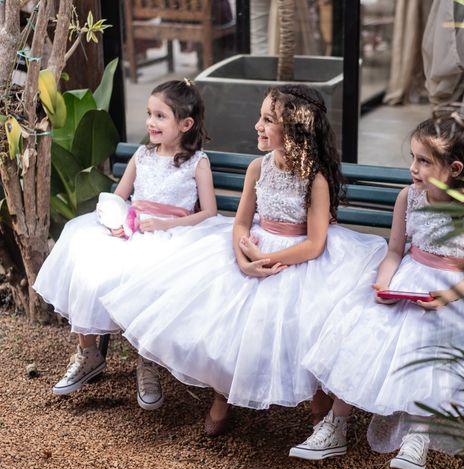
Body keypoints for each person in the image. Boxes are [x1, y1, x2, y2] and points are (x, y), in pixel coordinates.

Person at [100, 84, 388, 434]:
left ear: (295, 129)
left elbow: (314, 244)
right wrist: (242, 259)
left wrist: (268, 257)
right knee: (227, 317)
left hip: (298, 258)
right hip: (253, 251)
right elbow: (239, 223)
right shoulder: (257, 168)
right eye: (260, 117)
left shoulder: (315, 178)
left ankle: (319, 407)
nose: (257, 126)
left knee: (306, 321)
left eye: (268, 120)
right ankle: (223, 395)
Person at [289, 112, 464, 469]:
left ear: (453, 168)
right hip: (408, 280)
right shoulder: (409, 197)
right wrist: (384, 284)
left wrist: (449, 296)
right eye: (413, 157)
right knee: (364, 331)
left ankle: (418, 435)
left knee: (432, 345)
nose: (413, 168)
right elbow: (394, 251)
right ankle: (336, 424)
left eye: (423, 161)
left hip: (456, 290)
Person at [33, 79, 229, 410]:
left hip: (173, 236)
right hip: (133, 231)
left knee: (150, 279)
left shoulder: (198, 162)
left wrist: (167, 224)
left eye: (160, 116)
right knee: (88, 260)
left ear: (185, 124)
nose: (151, 122)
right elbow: (118, 198)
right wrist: (117, 222)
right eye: (149, 114)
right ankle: (89, 351)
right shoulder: (142, 155)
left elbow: (209, 212)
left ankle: (147, 360)